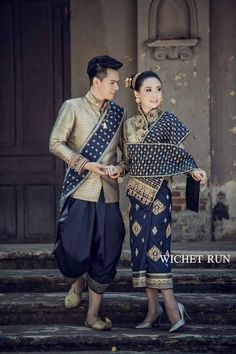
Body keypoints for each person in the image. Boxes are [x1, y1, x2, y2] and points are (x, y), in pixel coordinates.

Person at [116, 71, 207, 332]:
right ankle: (153, 309)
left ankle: (171, 306)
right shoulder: (129, 126)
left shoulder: (168, 121)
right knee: (140, 251)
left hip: (159, 195)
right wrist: (117, 170)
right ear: (136, 94)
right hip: (136, 196)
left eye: (158, 89)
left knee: (157, 249)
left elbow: (180, 156)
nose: (155, 95)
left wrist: (194, 171)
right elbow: (126, 162)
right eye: (148, 90)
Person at [49, 55, 126, 331]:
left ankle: (92, 315)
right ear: (96, 81)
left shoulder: (119, 114)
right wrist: (84, 163)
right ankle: (77, 280)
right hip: (81, 190)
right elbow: (55, 143)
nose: (117, 88)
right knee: (76, 248)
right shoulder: (73, 107)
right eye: (113, 82)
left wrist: (118, 168)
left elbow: (124, 156)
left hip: (109, 195)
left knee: (107, 252)